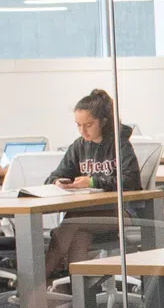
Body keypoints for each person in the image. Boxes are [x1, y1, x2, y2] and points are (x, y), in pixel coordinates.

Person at [41, 88, 147, 295]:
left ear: (103, 122)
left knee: (71, 223)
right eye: (78, 125)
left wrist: (92, 181)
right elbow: (53, 176)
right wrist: (58, 181)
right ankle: (78, 306)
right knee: (78, 235)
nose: (83, 131)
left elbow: (131, 180)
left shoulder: (120, 145)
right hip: (90, 216)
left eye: (88, 125)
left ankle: (37, 284)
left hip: (123, 213)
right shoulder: (79, 146)